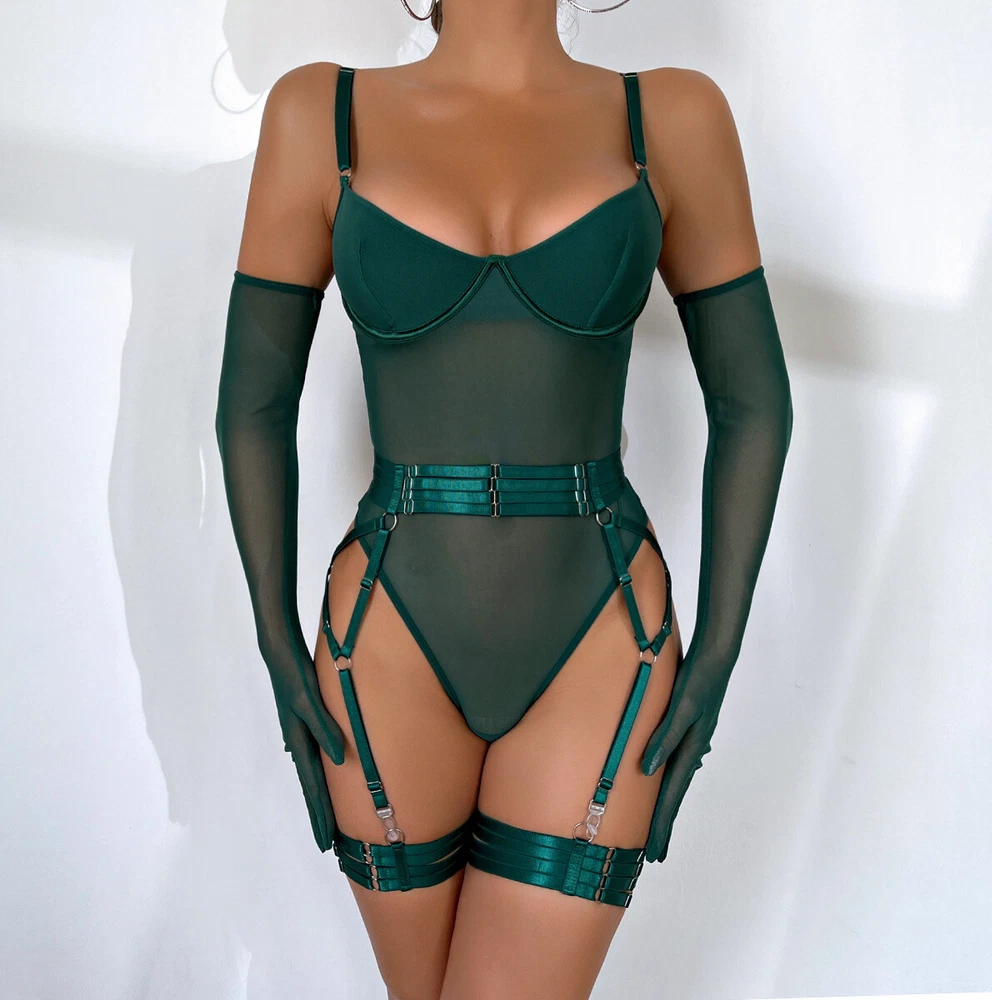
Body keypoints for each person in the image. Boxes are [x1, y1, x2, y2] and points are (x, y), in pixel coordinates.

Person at [214, 0, 793, 996]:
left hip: (602, 640)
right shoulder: (318, 116)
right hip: (387, 641)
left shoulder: (672, 119)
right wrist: (271, 637)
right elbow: (251, 407)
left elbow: (754, 401)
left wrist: (721, 651)